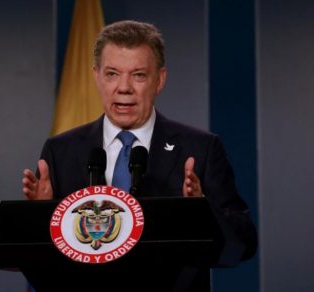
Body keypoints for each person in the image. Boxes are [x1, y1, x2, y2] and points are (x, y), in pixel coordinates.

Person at [22, 20, 257, 292]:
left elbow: (245, 242)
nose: (124, 88)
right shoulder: (60, 151)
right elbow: (38, 262)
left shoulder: (200, 149)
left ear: (159, 80)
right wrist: (40, 215)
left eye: (138, 75)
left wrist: (202, 211)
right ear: (96, 76)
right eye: (112, 74)